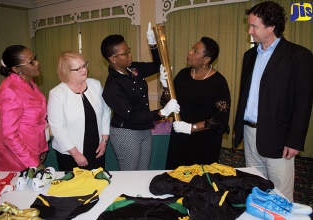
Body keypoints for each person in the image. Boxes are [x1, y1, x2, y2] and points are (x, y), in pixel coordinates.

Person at [233, 1, 313, 201]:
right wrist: (239, 128)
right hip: (250, 134)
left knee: (280, 196)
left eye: (254, 26)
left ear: (271, 26)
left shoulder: (299, 56)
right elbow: (246, 94)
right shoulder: (249, 55)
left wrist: (295, 140)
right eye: (249, 25)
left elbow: (303, 102)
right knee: (256, 190)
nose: (250, 31)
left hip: (278, 136)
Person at [101, 23, 180, 171]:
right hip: (126, 132)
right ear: (113, 59)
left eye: (129, 50)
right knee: (130, 172)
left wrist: (153, 45)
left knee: (143, 171)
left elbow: (158, 65)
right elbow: (131, 116)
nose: (130, 54)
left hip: (144, 127)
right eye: (125, 53)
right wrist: (161, 113)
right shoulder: (112, 87)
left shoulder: (132, 69)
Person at [160, 37, 231, 169]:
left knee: (199, 181)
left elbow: (220, 119)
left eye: (195, 51)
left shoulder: (218, 82)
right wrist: (165, 86)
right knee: (176, 175)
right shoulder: (183, 74)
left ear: (206, 60)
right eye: (192, 48)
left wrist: (191, 128)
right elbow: (168, 102)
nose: (190, 52)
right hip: (180, 138)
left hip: (204, 140)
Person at [47, 51, 111, 171]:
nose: (84, 70)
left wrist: (104, 141)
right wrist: (76, 154)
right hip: (70, 153)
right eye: (78, 68)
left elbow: (105, 112)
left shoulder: (95, 85)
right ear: (66, 71)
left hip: (97, 148)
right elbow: (57, 127)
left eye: (84, 65)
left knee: (99, 184)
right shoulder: (57, 94)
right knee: (74, 187)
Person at [0, 45, 48, 171]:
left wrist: (42, 147)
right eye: (31, 62)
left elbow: (36, 121)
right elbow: (9, 135)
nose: (37, 63)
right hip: (15, 154)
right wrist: (34, 163)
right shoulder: (9, 91)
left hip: (32, 147)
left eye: (35, 58)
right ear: (17, 69)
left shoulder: (28, 82)